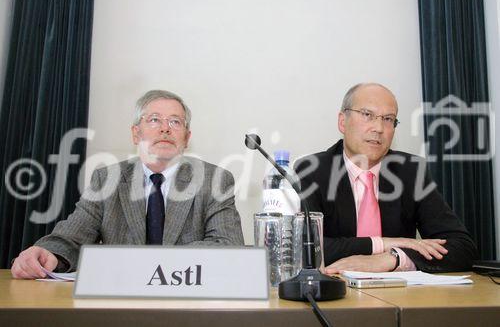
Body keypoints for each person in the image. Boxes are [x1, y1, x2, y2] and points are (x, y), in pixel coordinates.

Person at [11, 90, 244, 279]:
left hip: (189, 302)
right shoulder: (107, 179)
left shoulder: (215, 180)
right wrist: (47, 252)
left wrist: (155, 265)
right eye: (154, 120)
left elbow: (228, 246)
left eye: (175, 122)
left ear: (186, 137)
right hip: (120, 305)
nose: (165, 128)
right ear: (135, 134)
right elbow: (71, 237)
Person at [295, 83, 477, 274]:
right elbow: (306, 246)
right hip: (338, 295)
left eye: (388, 119)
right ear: (342, 122)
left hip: (398, 297)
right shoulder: (311, 171)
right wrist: (382, 243)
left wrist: (395, 257)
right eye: (367, 115)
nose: (379, 128)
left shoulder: (410, 172)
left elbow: (462, 247)